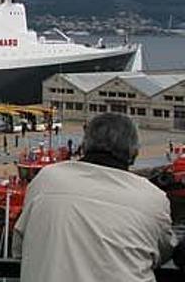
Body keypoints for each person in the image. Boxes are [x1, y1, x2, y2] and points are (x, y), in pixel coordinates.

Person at [13, 113, 176, 281]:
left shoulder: (46, 179)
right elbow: (162, 253)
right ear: (134, 152)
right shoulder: (153, 198)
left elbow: (19, 249)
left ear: (84, 145)